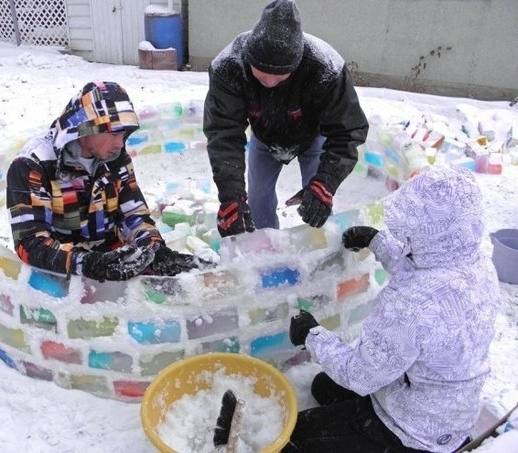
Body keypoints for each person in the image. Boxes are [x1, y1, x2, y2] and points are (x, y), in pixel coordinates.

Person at [286, 166, 500, 452]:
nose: (404, 241)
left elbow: (361, 375)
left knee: (296, 434)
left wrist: (311, 335)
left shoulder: (410, 307)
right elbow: (425, 273)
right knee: (323, 386)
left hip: (412, 429)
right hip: (447, 403)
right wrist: (377, 242)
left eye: (408, 236)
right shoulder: (475, 263)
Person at [6, 80, 205, 282]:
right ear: (85, 128)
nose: (120, 143)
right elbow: (30, 243)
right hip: (58, 274)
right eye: (115, 134)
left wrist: (154, 250)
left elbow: (133, 215)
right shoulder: (32, 166)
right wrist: (89, 263)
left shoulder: (115, 157)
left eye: (124, 135)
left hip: (114, 260)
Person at [203, 0, 369, 237]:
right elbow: (223, 134)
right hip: (264, 138)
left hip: (313, 137)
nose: (270, 82)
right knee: (257, 198)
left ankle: (320, 249)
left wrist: (326, 182)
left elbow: (348, 131)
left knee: (318, 203)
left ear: (298, 63)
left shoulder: (325, 67)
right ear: (250, 57)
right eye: (261, 73)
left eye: (280, 76)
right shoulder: (228, 66)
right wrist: (231, 197)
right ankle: (265, 249)